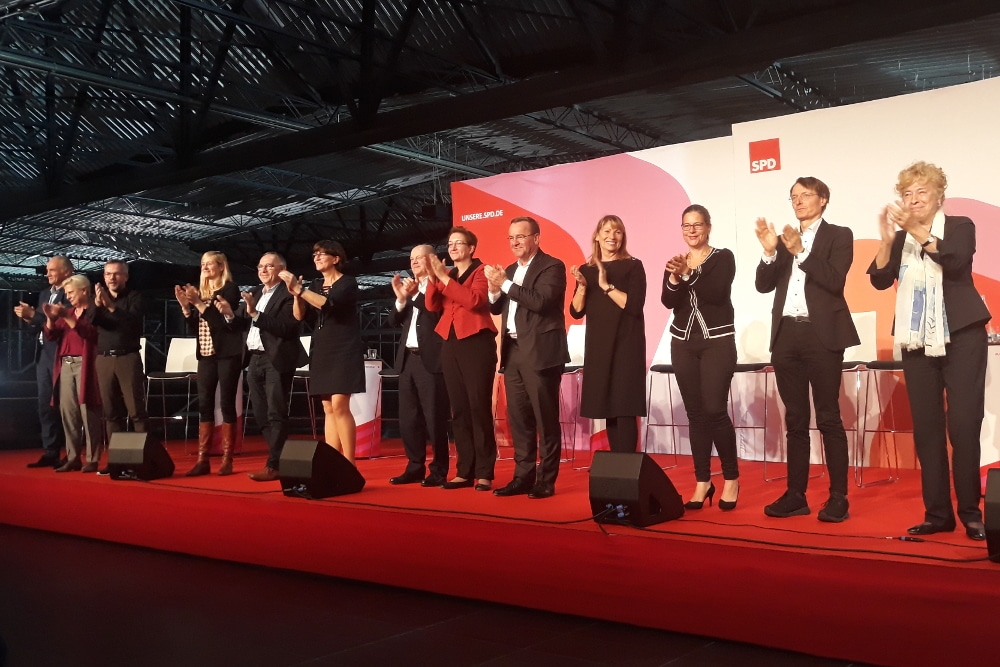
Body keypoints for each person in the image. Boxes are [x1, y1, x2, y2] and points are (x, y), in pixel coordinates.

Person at [868, 162, 990, 542]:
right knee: (927, 428)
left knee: (964, 425)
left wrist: (916, 230)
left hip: (962, 334)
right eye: (907, 194)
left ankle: (971, 512)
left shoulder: (960, 225)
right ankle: (938, 514)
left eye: (922, 192)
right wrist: (888, 238)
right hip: (914, 338)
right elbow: (878, 278)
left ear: (939, 196)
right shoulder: (901, 237)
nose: (914, 199)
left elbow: (954, 261)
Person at [755, 176, 859, 522]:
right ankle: (796, 494)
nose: (798, 201)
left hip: (822, 334)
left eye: (805, 195)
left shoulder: (839, 235)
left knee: (828, 415)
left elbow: (834, 280)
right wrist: (771, 251)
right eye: (793, 196)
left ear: (823, 199)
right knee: (795, 419)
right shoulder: (785, 240)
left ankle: (838, 496)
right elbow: (762, 285)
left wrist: (801, 251)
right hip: (786, 336)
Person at [661, 205, 739, 511]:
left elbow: (717, 292)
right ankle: (703, 481)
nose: (691, 230)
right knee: (695, 414)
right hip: (683, 342)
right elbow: (668, 300)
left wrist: (689, 274)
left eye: (697, 225)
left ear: (708, 227)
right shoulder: (676, 261)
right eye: (686, 226)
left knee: (714, 410)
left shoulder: (723, 257)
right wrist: (675, 278)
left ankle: (731, 478)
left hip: (717, 342)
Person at [487, 216, 569, 499]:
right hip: (513, 352)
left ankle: (546, 480)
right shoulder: (509, 270)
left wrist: (506, 284)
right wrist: (494, 288)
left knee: (544, 419)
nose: (515, 243)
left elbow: (541, 302)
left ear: (536, 238)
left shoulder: (552, 266)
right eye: (511, 238)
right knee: (519, 419)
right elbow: (495, 307)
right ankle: (522, 477)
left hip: (541, 352)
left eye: (520, 237)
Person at [216, 252, 306, 482]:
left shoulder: (289, 293)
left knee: (276, 412)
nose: (263, 270)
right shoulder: (256, 292)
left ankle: (274, 465)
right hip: (253, 360)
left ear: (282, 269)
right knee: (260, 413)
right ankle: (281, 458)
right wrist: (228, 313)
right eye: (260, 266)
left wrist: (255, 312)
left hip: (276, 359)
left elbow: (286, 327)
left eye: (269, 266)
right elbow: (239, 321)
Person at [423, 227, 498, 491]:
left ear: (471, 248)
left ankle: (485, 472)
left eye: (458, 243)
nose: (452, 247)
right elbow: (432, 306)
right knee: (459, 411)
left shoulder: (481, 271)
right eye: (450, 243)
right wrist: (435, 277)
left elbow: (475, 300)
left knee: (478, 408)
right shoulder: (449, 274)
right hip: (450, 343)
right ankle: (464, 470)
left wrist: (444, 277)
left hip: (476, 343)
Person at [280, 241, 365, 465]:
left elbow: (329, 305)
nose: (316, 258)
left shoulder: (347, 282)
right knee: (327, 407)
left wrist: (301, 290)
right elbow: (300, 317)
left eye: (321, 254)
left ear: (335, 259)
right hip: (321, 347)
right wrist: (297, 296)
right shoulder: (315, 285)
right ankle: (332, 461)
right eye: (314, 254)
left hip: (343, 347)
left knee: (339, 405)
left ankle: (349, 461)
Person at [569, 215, 647, 453]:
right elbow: (575, 310)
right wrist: (583, 286)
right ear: (597, 236)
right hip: (599, 347)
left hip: (626, 345)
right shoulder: (586, 270)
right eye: (607, 231)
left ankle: (627, 467)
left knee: (624, 409)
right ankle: (617, 465)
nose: (612, 237)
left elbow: (633, 305)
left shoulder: (634, 265)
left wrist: (607, 287)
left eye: (618, 232)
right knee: (609, 410)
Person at [386, 245, 451, 487]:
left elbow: (436, 315)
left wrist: (413, 296)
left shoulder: (440, 284)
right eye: (411, 258)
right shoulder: (409, 288)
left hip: (431, 360)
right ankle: (415, 467)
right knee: (408, 419)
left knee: (435, 418)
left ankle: (439, 469)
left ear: (431, 259)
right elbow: (392, 321)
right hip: (407, 360)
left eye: (419, 258)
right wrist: (402, 300)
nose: (413, 262)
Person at [175, 251, 242, 476]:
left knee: (226, 403)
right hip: (205, 354)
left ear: (221, 267)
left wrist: (197, 303)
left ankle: (227, 459)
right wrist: (186, 308)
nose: (204, 267)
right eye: (202, 263)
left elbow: (221, 324)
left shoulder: (229, 289)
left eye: (209, 263)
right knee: (204, 404)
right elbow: (198, 327)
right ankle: (203, 459)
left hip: (227, 354)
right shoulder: (201, 292)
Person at [15, 255, 73, 468]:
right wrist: (30, 318)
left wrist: (35, 316)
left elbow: (62, 323)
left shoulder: (72, 293)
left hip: (64, 353)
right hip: (44, 355)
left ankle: (71, 452)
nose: (47, 273)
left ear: (67, 271)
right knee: (44, 405)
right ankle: (51, 451)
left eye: (52, 270)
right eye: (47, 270)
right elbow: (42, 326)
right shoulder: (44, 294)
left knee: (66, 406)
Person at [92, 260, 149, 475]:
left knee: (136, 412)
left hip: (128, 358)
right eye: (108, 274)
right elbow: (91, 322)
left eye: (116, 274)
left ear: (125, 276)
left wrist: (110, 306)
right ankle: (117, 461)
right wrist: (98, 305)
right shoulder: (98, 298)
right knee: (111, 414)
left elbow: (130, 323)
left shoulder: (135, 297)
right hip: (104, 359)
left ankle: (141, 461)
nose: (112, 278)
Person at [43, 274, 103, 473]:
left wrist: (67, 317)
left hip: (86, 365)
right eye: (66, 293)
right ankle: (73, 457)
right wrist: (51, 319)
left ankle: (93, 458)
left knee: (89, 412)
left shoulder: (94, 311)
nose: (67, 296)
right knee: (68, 413)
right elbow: (50, 335)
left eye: (71, 292)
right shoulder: (68, 312)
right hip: (66, 365)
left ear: (84, 291)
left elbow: (89, 333)